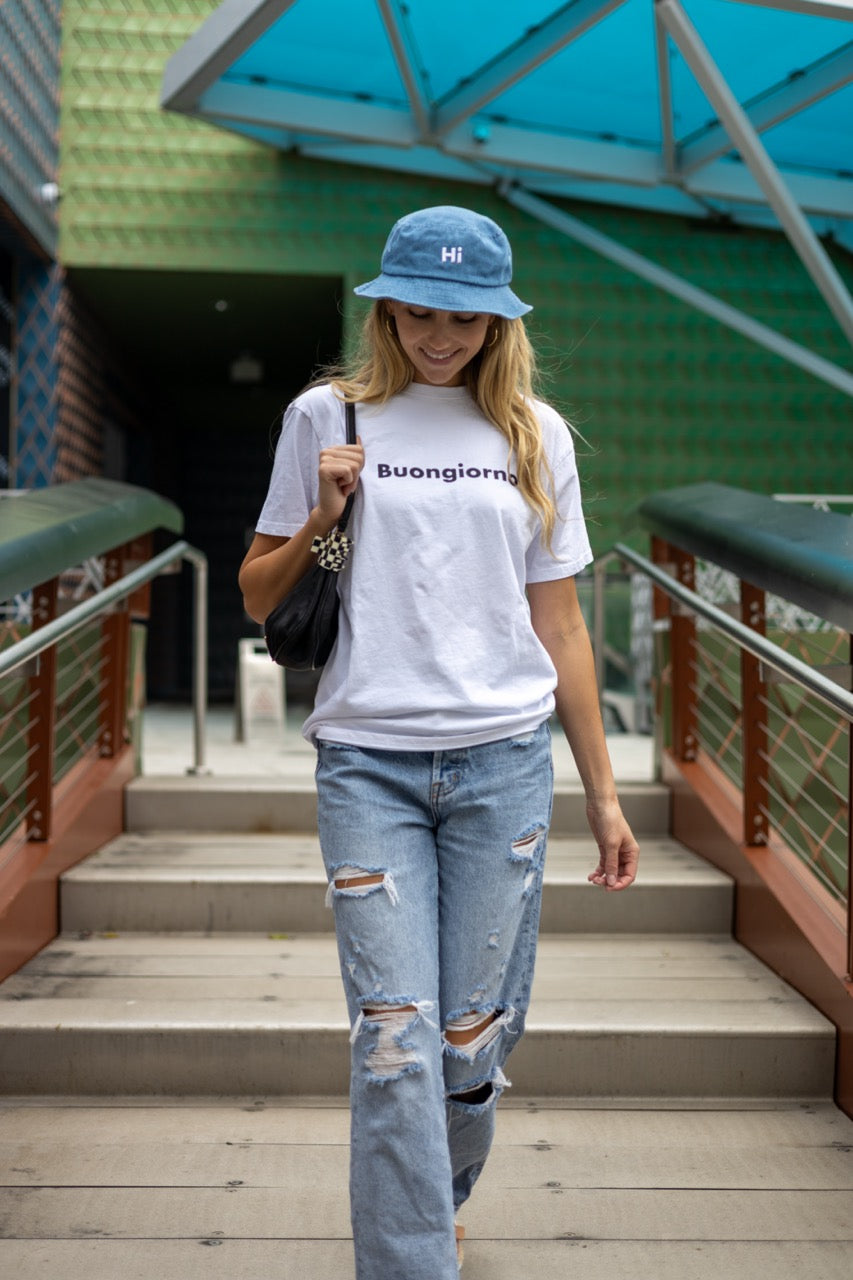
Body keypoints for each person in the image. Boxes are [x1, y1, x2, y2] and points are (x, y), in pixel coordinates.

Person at [239, 205, 639, 1279]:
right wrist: (325, 507)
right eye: (418, 311)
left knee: (470, 1038)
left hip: (503, 763)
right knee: (393, 1038)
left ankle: (434, 1196)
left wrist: (601, 790)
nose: (439, 335)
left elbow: (559, 622)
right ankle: (413, 1261)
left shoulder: (534, 434)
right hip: (367, 758)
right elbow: (256, 591)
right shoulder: (325, 415)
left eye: (463, 317)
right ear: (386, 307)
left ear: (497, 321)